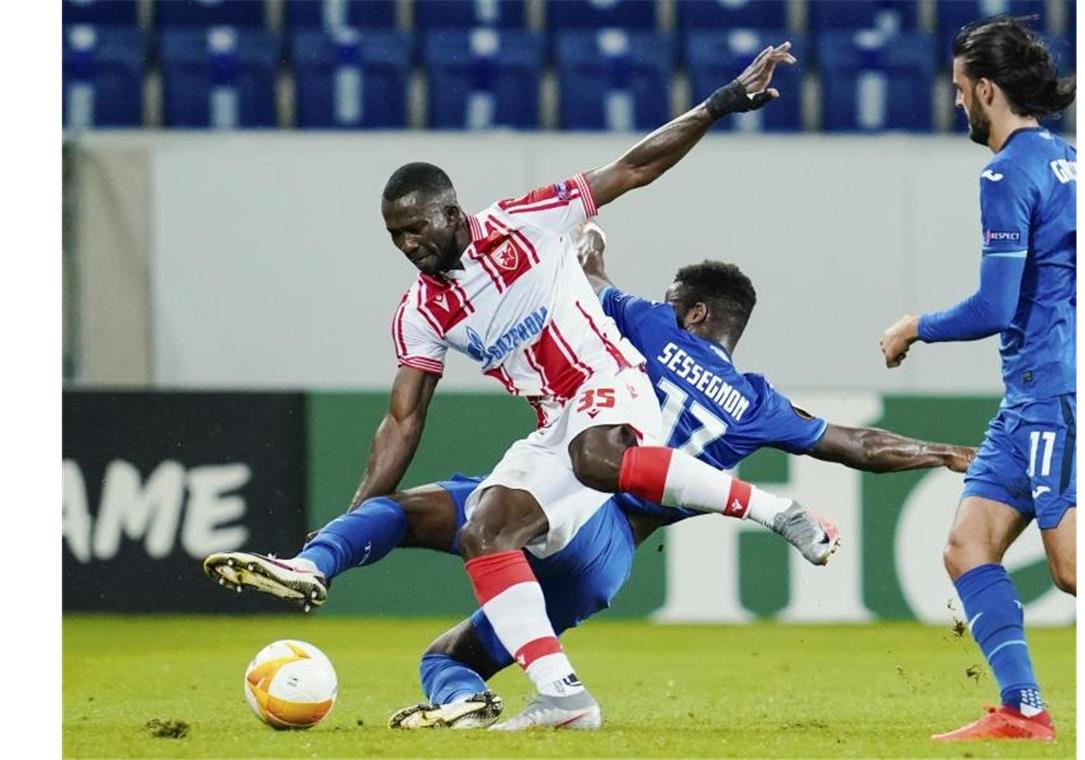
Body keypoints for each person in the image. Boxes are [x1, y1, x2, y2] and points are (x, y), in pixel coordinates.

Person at [209, 41, 830, 731]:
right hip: (554, 426)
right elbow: (401, 422)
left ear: (451, 212)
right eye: (395, 237)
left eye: (417, 228)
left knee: (594, 456)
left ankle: (775, 511)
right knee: (483, 529)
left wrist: (718, 105)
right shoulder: (420, 311)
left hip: (614, 389)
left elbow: (633, 166)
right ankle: (323, 569)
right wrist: (352, 516)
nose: (409, 246)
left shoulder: (524, 222)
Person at [208, 241, 976, 730]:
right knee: (448, 658)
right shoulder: (757, 403)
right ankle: (466, 707)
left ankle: (313, 562)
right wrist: (942, 452)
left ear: (693, 310)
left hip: (578, 498)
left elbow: (592, 287)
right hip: (607, 565)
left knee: (402, 512)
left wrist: (590, 248)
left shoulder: (649, 326)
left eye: (677, 297)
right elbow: (860, 444)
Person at [878, 16, 1075, 743]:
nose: (958, 102)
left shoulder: (1005, 172)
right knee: (967, 546)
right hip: (1039, 389)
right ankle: (1023, 709)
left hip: (1051, 390)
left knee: (1076, 571)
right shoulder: (1072, 161)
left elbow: (995, 306)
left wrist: (913, 326)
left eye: (961, 90)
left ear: (986, 89)